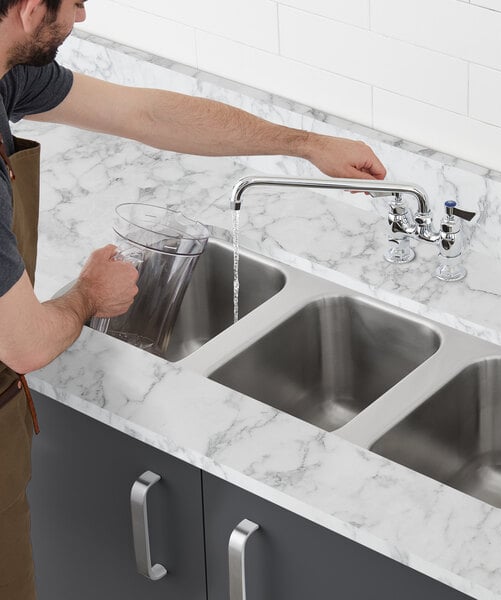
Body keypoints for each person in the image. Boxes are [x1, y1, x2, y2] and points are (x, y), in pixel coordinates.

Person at [0, 0, 387, 597]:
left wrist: (305, 143)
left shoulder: (7, 72)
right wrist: (86, 296)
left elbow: (147, 113)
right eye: (74, 3)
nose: (83, 17)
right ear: (29, 9)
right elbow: (25, 344)